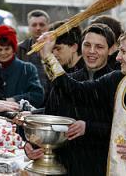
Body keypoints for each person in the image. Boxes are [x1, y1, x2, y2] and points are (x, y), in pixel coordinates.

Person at [28, 28, 126, 175]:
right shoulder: (116, 80)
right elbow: (73, 90)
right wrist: (48, 56)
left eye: (124, 52)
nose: (118, 58)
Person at [34, 23, 115, 175]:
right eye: (87, 45)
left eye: (99, 47)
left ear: (111, 50)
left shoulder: (116, 83)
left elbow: (121, 130)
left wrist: (89, 127)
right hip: (63, 166)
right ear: (80, 46)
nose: (92, 51)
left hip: (99, 167)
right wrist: (32, 145)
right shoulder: (66, 81)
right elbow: (50, 118)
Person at [0, 25, 44, 108]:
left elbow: (38, 96)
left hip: (20, 115)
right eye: (0, 49)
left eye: (7, 49)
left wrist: (14, 99)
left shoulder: (27, 69)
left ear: (13, 49)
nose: (3, 53)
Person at [17, 9, 50, 105]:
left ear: (48, 26)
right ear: (29, 27)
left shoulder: (57, 48)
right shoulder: (20, 49)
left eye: (42, 24)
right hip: (28, 100)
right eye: (34, 25)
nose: (38, 28)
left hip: (51, 100)